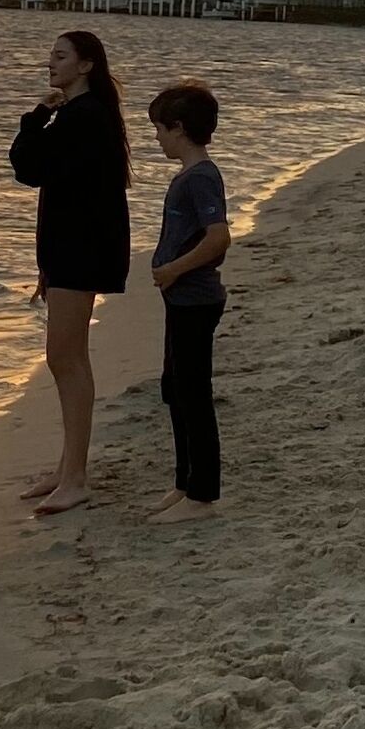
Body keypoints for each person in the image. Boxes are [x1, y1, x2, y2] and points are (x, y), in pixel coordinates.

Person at [8, 27, 130, 517]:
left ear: (86, 66)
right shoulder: (78, 115)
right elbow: (50, 181)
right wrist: (47, 265)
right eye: (50, 57)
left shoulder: (84, 117)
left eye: (60, 57)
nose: (50, 64)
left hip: (81, 251)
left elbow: (27, 165)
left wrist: (37, 114)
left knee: (67, 358)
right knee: (66, 358)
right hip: (70, 251)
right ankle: (66, 468)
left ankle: (75, 476)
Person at [147, 78, 229, 511]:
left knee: (192, 392)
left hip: (195, 299)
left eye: (159, 130)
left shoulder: (201, 178)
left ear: (178, 128)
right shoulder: (189, 176)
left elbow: (218, 239)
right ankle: (184, 481)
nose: (157, 139)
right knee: (175, 388)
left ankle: (201, 491)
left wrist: (173, 270)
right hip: (180, 298)